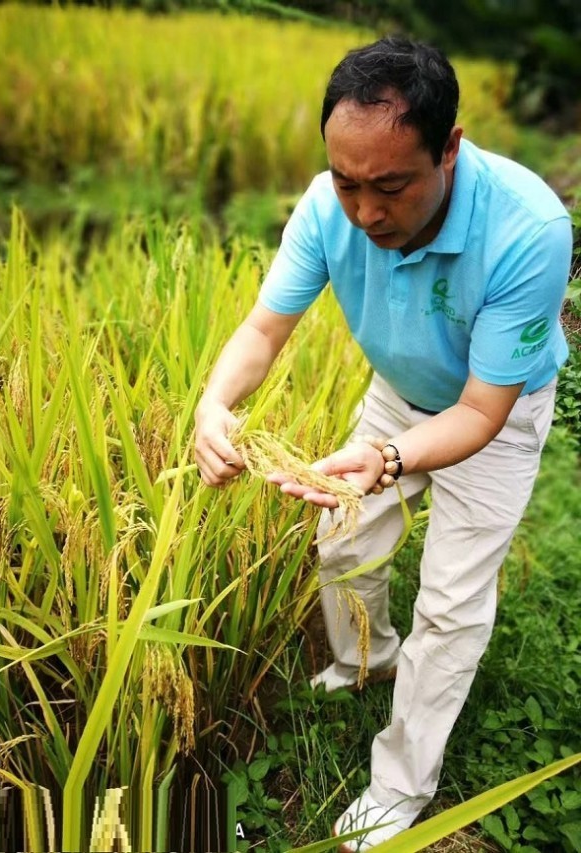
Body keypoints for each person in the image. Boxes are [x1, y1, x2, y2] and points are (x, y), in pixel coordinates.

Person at [193, 36, 572, 850]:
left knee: (452, 604)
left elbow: (480, 412)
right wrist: (213, 405)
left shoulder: (530, 228)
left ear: (450, 148)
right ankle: (367, 661)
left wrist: (391, 460)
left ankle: (401, 784)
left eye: (391, 186)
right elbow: (263, 330)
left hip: (495, 414)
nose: (365, 213)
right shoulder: (325, 207)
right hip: (398, 395)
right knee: (343, 539)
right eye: (347, 182)